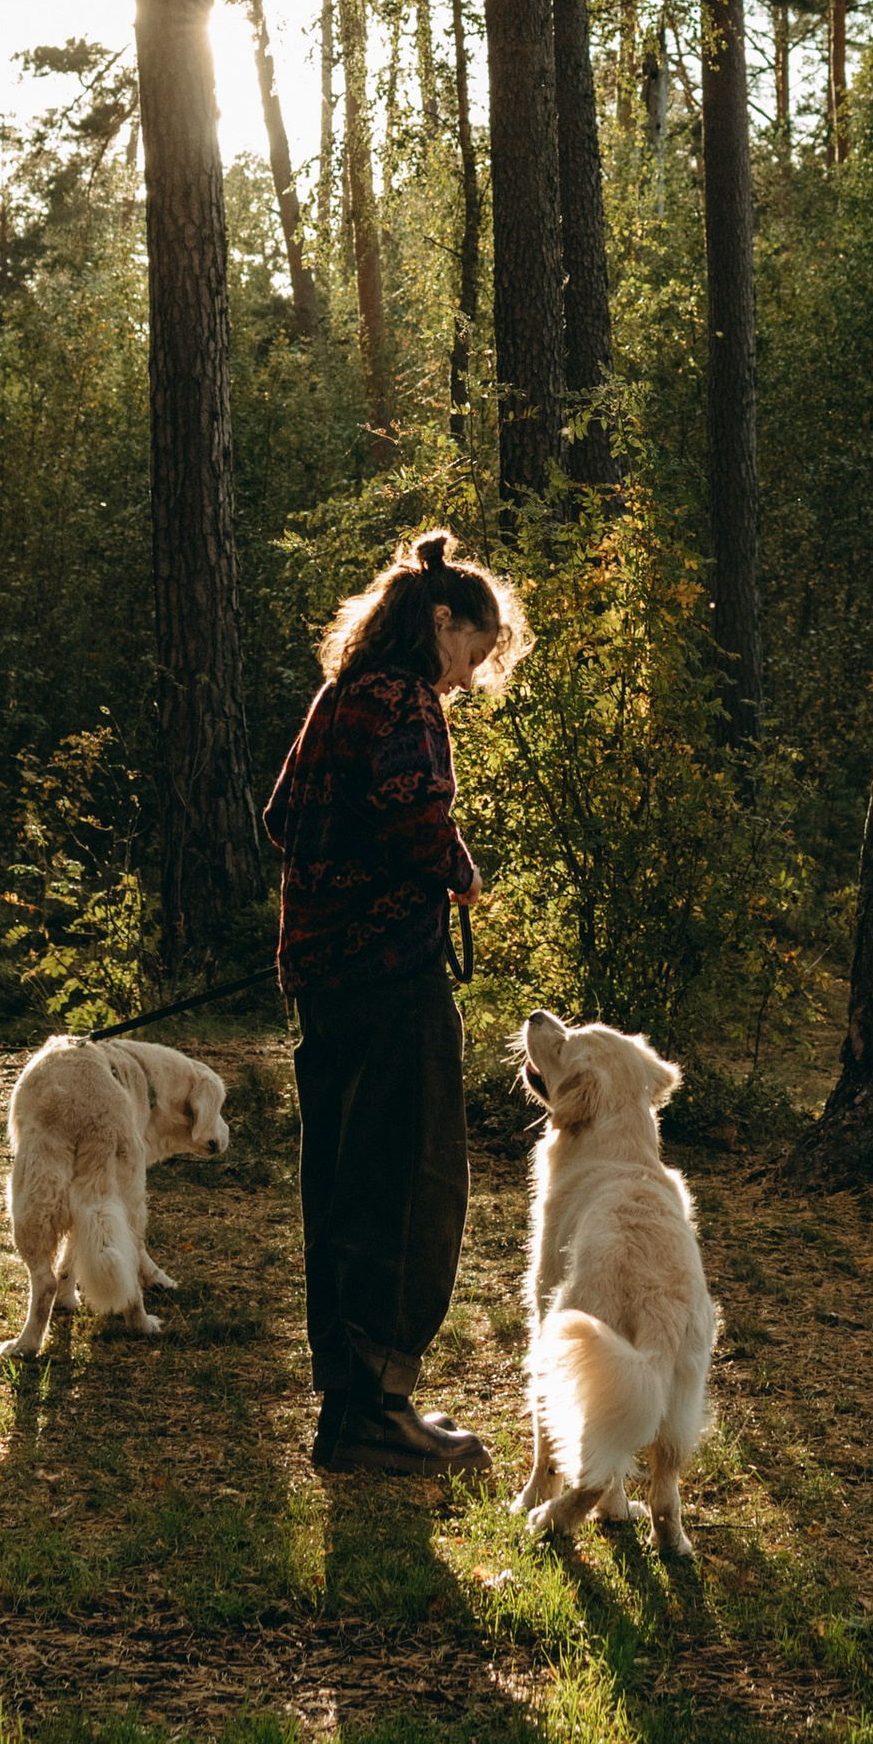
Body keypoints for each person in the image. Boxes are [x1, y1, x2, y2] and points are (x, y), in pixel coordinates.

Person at [265, 526, 531, 1478]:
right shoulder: (407, 701)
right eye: (475, 651)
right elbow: (418, 812)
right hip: (392, 979)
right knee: (408, 1186)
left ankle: (348, 1406)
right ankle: (377, 1410)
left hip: (323, 979)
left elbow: (281, 818)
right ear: (443, 623)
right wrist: (458, 869)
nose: (469, 677)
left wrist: (339, 879)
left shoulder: (339, 698)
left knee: (337, 1187)